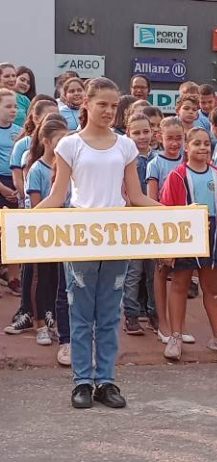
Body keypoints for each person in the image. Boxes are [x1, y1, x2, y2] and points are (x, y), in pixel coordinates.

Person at [36, 77, 160, 409]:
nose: (108, 111)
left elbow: (136, 196)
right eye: (102, 104)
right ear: (86, 104)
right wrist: (20, 223)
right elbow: (57, 196)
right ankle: (81, 381)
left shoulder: (126, 146)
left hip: (116, 237)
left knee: (109, 313)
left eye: (113, 105)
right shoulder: (70, 145)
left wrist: (180, 214)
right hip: (81, 237)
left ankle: (105, 380)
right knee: (80, 313)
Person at [159, 127, 217, 360]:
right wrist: (168, 248)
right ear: (187, 147)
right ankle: (175, 335)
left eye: (206, 143)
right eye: (197, 143)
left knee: (212, 289)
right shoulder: (176, 176)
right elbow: (167, 212)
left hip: (213, 237)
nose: (203, 148)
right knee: (179, 285)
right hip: (185, 236)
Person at [146, 116, 193, 345]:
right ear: (160, 138)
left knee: (182, 276)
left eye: (178, 138)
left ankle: (179, 326)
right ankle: (163, 324)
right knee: (161, 272)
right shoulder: (155, 164)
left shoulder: (187, 161)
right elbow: (151, 198)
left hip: (185, 225)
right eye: (170, 138)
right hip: (163, 225)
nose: (174, 143)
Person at [24, 116, 69, 347]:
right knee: (40, 277)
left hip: (63, 232)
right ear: (47, 141)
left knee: (57, 280)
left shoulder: (67, 168)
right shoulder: (36, 169)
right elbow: (36, 205)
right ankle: (39, 324)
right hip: (42, 232)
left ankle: (54, 322)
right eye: (59, 140)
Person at [122, 113, 157, 335]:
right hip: (133, 221)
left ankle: (155, 314)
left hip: (154, 222)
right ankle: (131, 315)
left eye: (146, 131)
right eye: (136, 132)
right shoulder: (125, 159)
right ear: (128, 134)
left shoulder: (158, 159)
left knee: (154, 272)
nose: (142, 136)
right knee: (133, 271)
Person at [11, 98, 58, 201]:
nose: (53, 121)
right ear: (36, 118)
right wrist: (24, 198)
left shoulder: (60, 143)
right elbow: (18, 178)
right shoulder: (22, 144)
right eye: (48, 117)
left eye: (56, 116)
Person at [0, 88, 22, 295]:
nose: (13, 110)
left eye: (15, 106)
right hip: (1, 183)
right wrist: (3, 189)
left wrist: (17, 186)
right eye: (8, 106)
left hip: (15, 183)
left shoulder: (19, 130)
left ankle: (14, 278)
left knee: (13, 231)